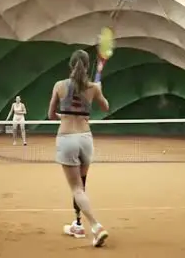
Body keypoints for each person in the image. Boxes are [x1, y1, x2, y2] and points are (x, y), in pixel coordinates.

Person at [47, 49, 110, 247]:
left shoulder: (59, 85)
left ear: (71, 64)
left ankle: (96, 226)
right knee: (81, 186)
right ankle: (78, 224)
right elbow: (105, 107)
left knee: (76, 188)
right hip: (85, 138)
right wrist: (99, 89)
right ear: (87, 64)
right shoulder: (93, 87)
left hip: (67, 138)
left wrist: (64, 116)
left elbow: (50, 115)